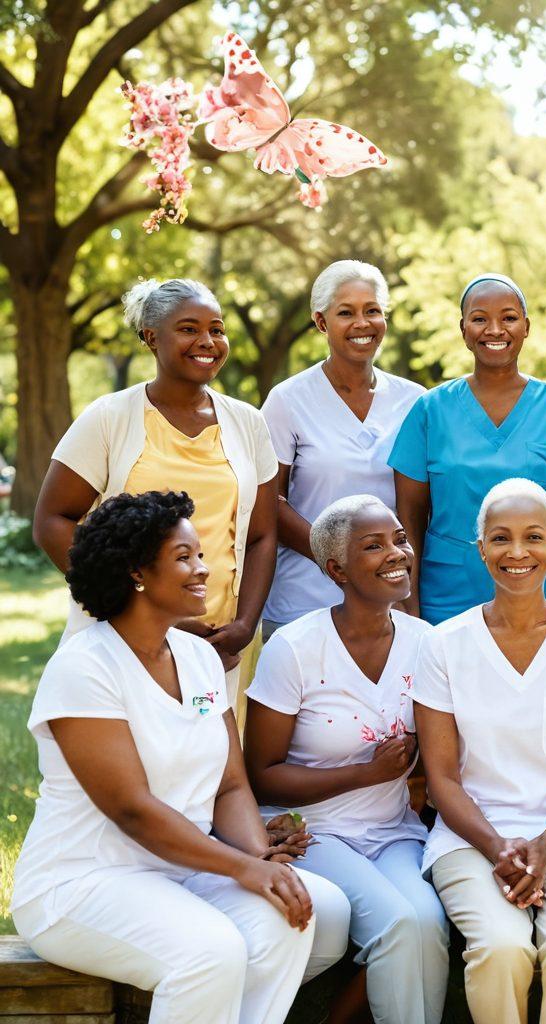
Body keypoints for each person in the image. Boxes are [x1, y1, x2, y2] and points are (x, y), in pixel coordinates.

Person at [10, 492, 349, 1024]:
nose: (204, 569)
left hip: (183, 869)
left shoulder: (198, 658)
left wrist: (259, 859)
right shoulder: (86, 667)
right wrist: (241, 866)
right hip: (82, 881)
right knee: (210, 952)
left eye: (201, 554)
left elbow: (231, 785)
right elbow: (131, 808)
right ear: (136, 573)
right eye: (184, 557)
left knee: (299, 917)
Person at [414, 478, 546, 1024]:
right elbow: (442, 779)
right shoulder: (443, 645)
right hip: (471, 834)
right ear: (480, 548)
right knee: (502, 948)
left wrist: (545, 846)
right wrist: (497, 846)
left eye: (533, 536)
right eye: (500, 538)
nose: (517, 552)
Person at [244, 495, 448, 1024]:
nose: (397, 553)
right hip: (311, 833)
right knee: (399, 923)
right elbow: (260, 777)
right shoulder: (295, 648)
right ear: (336, 569)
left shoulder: (427, 643)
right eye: (374, 546)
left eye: (400, 539)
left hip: (393, 831)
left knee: (428, 922)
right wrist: (365, 773)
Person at [32, 279, 278, 699]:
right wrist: (131, 605)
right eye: (189, 329)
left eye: (217, 329)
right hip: (126, 630)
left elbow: (262, 535)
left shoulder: (248, 423)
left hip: (220, 640)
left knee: (214, 739)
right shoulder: (109, 417)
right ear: (151, 338)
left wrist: (243, 625)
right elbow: (52, 521)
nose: (208, 341)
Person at [389, 273, 546, 624]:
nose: (494, 330)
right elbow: (409, 520)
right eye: (479, 319)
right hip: (450, 593)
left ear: (526, 327)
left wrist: (539, 577)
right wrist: (408, 601)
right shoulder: (430, 411)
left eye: (508, 318)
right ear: (463, 330)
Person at [260, 261, 425, 637]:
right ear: (321, 322)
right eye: (346, 313)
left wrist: (404, 589)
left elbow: (417, 508)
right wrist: (338, 558)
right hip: (304, 601)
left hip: (389, 601)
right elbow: (270, 501)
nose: (362, 323)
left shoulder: (414, 401)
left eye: (372, 311)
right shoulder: (287, 400)